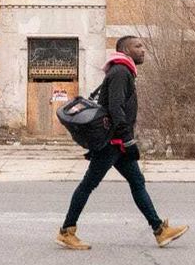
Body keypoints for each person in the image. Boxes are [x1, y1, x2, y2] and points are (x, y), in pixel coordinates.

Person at [56, 36, 188, 250]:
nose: (143, 50)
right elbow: (116, 108)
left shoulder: (122, 71)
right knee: (88, 184)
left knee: (137, 182)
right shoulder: (120, 72)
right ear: (125, 50)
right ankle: (66, 231)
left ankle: (159, 230)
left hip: (117, 143)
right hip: (113, 143)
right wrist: (128, 140)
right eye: (138, 46)